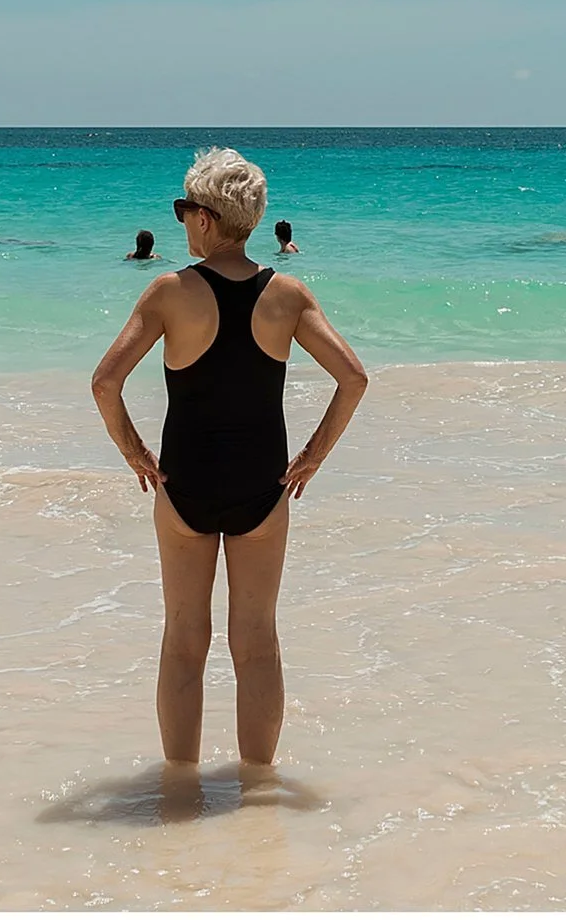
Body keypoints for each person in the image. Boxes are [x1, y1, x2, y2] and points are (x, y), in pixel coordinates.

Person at [90, 147, 369, 773]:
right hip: (263, 488)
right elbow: (353, 378)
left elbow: (105, 383)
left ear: (206, 219)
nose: (181, 221)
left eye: (184, 209)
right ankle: (259, 793)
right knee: (257, 642)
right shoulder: (288, 295)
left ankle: (180, 787)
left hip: (183, 485)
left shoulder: (169, 292)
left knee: (184, 642)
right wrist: (313, 456)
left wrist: (135, 453)